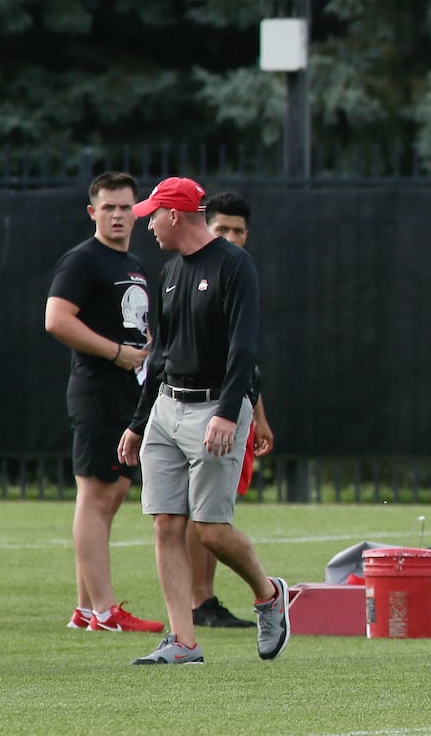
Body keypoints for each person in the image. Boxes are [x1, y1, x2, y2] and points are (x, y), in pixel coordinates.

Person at [117, 176, 289, 665]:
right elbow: (162, 355)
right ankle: (184, 640)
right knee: (166, 523)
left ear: (175, 215)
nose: (147, 224)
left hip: (215, 411)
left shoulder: (235, 265)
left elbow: (245, 348)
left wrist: (229, 413)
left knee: (211, 530)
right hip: (166, 410)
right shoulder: (169, 270)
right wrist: (137, 422)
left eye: (153, 215)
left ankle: (268, 594)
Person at [44, 171, 165, 634]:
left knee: (110, 496)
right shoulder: (83, 260)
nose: (118, 215)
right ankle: (105, 612)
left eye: (125, 207)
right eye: (108, 207)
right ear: (93, 212)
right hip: (96, 387)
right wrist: (116, 352)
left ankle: (85, 610)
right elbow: (56, 319)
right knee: (97, 496)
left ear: (137, 211)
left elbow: (133, 322)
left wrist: (143, 344)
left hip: (127, 389)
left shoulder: (132, 262)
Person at [185, 191, 277, 629]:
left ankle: (202, 600)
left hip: (233, 405)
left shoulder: (240, 274)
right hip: (203, 408)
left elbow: (244, 358)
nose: (232, 238)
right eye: (223, 229)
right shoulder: (197, 274)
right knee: (201, 512)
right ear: (206, 227)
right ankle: (199, 601)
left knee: (212, 510)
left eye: (239, 231)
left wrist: (257, 415)